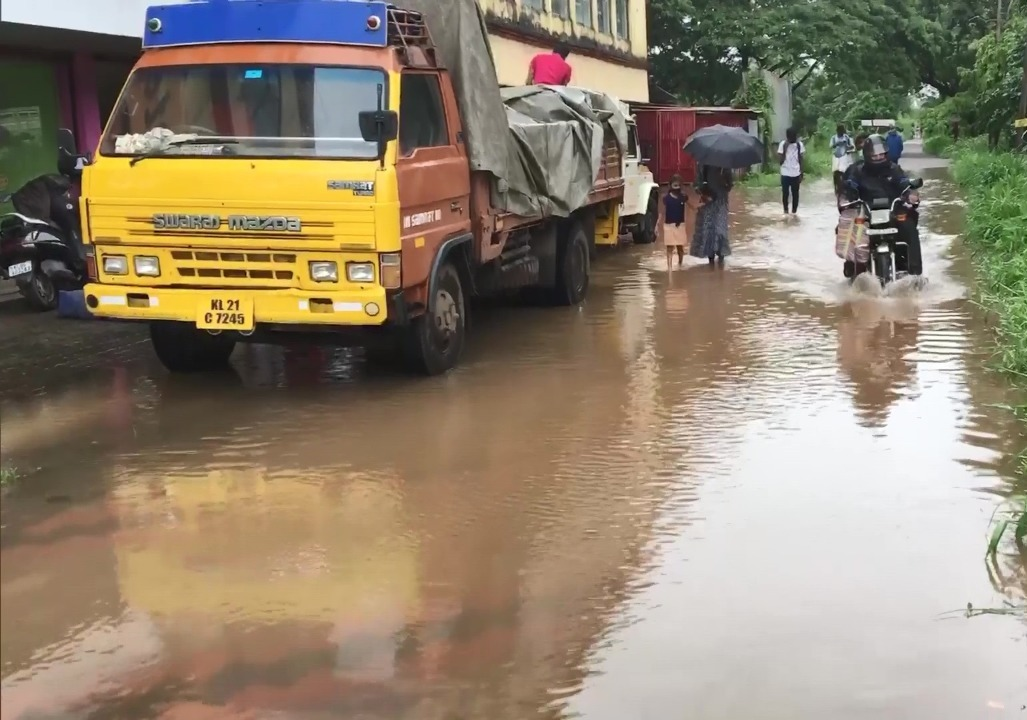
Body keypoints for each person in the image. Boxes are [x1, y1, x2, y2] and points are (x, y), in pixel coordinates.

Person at [839, 134, 922, 278]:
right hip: (866, 213)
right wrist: (848, 192)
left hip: (892, 211)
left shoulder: (894, 169)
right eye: (874, 155)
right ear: (867, 154)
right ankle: (851, 264)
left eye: (881, 154)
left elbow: (903, 182)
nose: (878, 157)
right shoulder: (857, 170)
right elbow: (850, 184)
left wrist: (910, 194)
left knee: (910, 226)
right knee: (848, 226)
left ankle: (915, 273)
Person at [690, 165, 733, 266]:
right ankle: (711, 259)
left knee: (720, 229)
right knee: (709, 229)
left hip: (721, 201)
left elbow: (730, 184)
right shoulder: (703, 165)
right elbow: (697, 185)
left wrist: (725, 182)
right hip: (708, 201)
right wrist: (703, 193)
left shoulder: (725, 166)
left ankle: (721, 256)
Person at [658, 174, 695, 271]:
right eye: (675, 185)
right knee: (669, 248)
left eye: (678, 185)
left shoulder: (683, 197)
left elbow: (693, 207)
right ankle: (669, 268)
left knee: (680, 248)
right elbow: (662, 212)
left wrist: (703, 203)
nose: (677, 187)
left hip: (680, 226)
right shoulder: (666, 198)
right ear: (670, 186)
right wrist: (657, 224)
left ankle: (680, 264)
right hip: (669, 225)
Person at [777, 127, 804, 216]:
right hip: (785, 172)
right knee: (785, 193)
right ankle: (785, 211)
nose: (793, 138)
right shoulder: (783, 144)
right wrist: (785, 150)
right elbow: (780, 161)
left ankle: (794, 212)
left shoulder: (800, 145)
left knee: (795, 193)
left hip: (796, 173)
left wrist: (801, 172)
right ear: (788, 136)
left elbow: (801, 159)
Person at [830, 123, 854, 197]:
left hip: (844, 156)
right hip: (836, 156)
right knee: (835, 172)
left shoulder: (846, 137)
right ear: (837, 131)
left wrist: (847, 146)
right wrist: (837, 143)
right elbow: (831, 146)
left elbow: (852, 147)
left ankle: (844, 188)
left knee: (844, 172)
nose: (841, 133)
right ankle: (836, 188)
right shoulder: (834, 138)